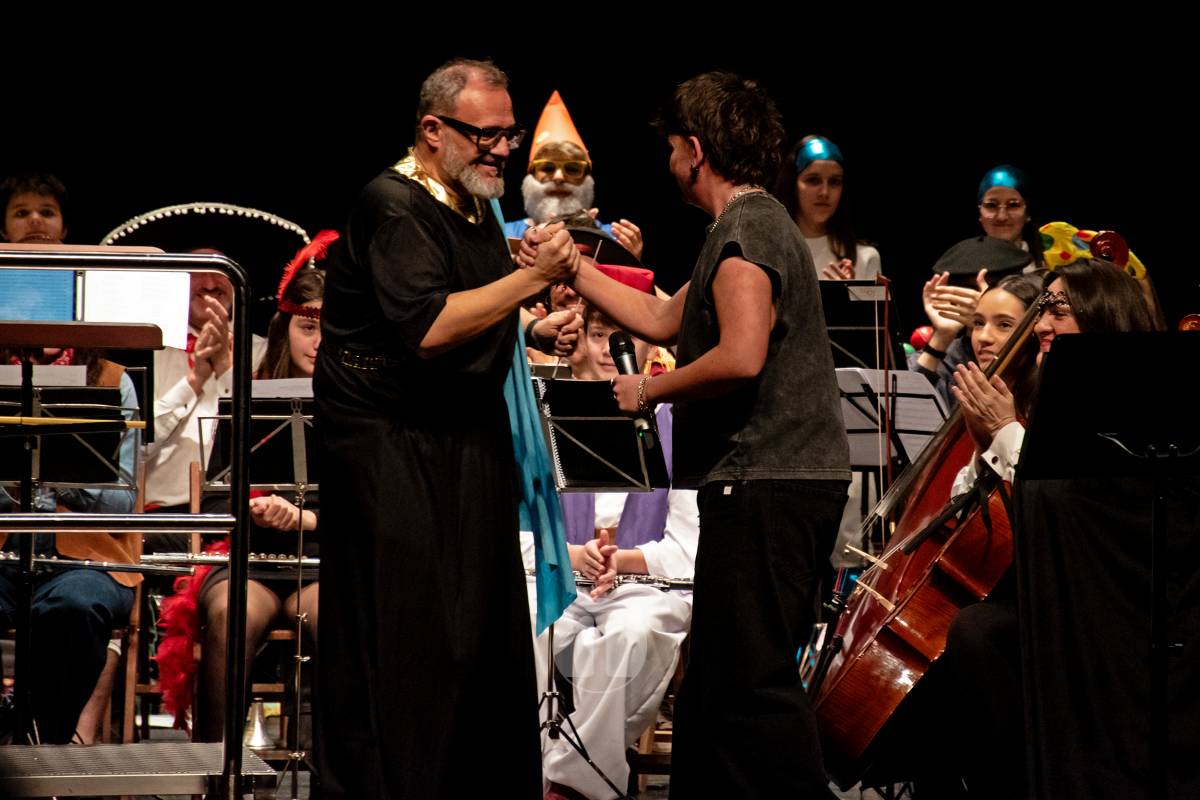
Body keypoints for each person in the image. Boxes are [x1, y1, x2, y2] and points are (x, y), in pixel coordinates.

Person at [530, 71, 850, 797]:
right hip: (764, 479)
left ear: (695, 150)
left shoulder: (749, 230)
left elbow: (741, 356)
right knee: (713, 685)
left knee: (751, 683)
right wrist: (571, 267)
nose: (671, 161)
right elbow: (660, 319)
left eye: (674, 148)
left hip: (772, 479)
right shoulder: (741, 229)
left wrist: (649, 389)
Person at [313, 57, 582, 798]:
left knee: (475, 641)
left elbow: (471, 306)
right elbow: (428, 327)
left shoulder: (472, 203)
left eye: (508, 134)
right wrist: (530, 280)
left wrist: (530, 331)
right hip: (392, 453)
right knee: (411, 645)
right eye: (484, 134)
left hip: (462, 441)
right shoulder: (393, 204)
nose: (501, 149)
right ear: (433, 130)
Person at [530, 292, 698, 800]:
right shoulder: (544, 418)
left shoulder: (679, 423)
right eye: (600, 334)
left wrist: (621, 561)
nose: (610, 349)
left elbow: (689, 549)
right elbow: (512, 526)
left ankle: (575, 784)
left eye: (626, 336)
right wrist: (571, 554)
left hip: (644, 585)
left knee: (626, 634)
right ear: (575, 338)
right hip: (560, 576)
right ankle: (538, 770)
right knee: (525, 621)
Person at [0, 172, 141, 745]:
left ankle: (47, 739)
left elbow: (121, 495)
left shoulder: (111, 378)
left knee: (75, 607)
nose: (35, 222)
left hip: (85, 554)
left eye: (48, 213)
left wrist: (55, 481)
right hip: (4, 544)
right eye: (20, 212)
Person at [158, 265, 325, 742]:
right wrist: (257, 508)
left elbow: (374, 500)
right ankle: (218, 772)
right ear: (285, 329)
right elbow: (215, 495)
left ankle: (334, 778)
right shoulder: (248, 395)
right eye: (308, 328)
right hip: (249, 557)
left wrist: (304, 516)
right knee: (230, 613)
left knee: (336, 614)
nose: (317, 342)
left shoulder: (362, 404)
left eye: (329, 330)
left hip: (321, 557)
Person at [503, 90, 644, 261]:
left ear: (587, 178)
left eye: (572, 169)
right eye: (547, 168)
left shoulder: (615, 238)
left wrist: (629, 261)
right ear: (531, 176)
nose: (559, 177)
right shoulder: (504, 234)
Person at [776, 135, 880, 280]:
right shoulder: (769, 251)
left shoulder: (866, 257)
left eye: (834, 182)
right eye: (813, 180)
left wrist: (845, 299)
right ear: (793, 185)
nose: (824, 192)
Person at [976, 165, 1042, 262]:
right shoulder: (959, 266)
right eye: (991, 205)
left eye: (1013, 205)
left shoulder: (1052, 268)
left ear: (1028, 213)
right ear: (980, 213)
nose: (1001, 217)